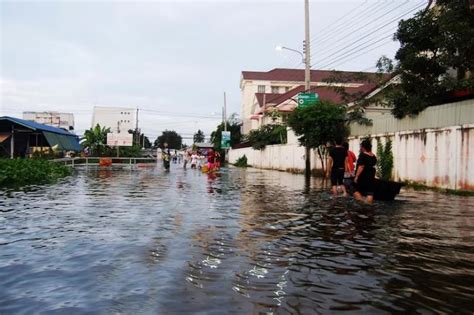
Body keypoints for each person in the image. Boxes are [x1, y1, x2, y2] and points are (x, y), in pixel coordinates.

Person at [353, 139, 377, 204]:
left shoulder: (363, 155)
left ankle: (363, 201)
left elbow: (361, 166)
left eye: (361, 147)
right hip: (371, 177)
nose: (360, 148)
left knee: (355, 191)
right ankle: (368, 204)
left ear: (363, 147)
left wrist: (356, 176)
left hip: (363, 177)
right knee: (369, 193)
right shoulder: (373, 156)